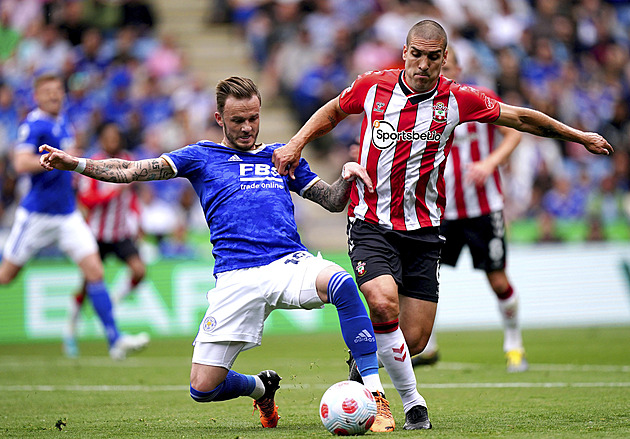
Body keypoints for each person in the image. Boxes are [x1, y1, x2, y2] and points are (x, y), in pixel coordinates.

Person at [271, 19, 613, 430]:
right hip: (370, 221)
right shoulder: (372, 87)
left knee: (413, 339)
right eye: (416, 54)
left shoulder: (459, 99)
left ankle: (362, 365)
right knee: (381, 302)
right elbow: (332, 111)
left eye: (433, 57)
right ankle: (411, 404)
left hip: (425, 229)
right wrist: (295, 142)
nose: (423, 64)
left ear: (444, 59)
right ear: (405, 53)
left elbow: (521, 120)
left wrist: (579, 136)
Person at [39, 76, 395, 432]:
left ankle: (376, 396)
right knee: (202, 388)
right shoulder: (202, 157)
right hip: (235, 277)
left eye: (253, 118)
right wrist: (76, 164)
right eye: (238, 120)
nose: (247, 127)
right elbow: (131, 170)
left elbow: (332, 202)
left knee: (343, 284)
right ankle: (261, 387)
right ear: (219, 118)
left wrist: (347, 176)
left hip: (288, 263)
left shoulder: (282, 156)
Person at [0, 73, 149, 360]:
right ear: (37, 96)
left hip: (68, 214)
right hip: (37, 215)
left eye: (58, 91)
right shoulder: (34, 124)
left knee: (95, 271)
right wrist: (47, 161)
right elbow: (20, 162)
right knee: (6, 276)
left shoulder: (63, 122)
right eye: (48, 92)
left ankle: (114, 339)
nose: (55, 96)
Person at [411, 47, 527, 372]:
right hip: (439, 212)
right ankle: (428, 347)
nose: (442, 73)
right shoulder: (422, 107)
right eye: (437, 68)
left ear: (460, 68)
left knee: (498, 280)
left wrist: (490, 163)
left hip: (483, 209)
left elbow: (514, 132)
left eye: (447, 66)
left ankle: (514, 344)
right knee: (425, 278)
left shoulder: (479, 98)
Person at [64, 121, 146, 358]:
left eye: (115, 136)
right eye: (108, 136)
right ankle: (70, 330)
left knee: (139, 271)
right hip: (96, 236)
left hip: (120, 234)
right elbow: (86, 201)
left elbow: (131, 198)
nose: (112, 140)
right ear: (101, 139)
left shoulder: (129, 160)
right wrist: (112, 192)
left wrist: (138, 221)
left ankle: (113, 304)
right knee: (86, 286)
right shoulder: (92, 165)